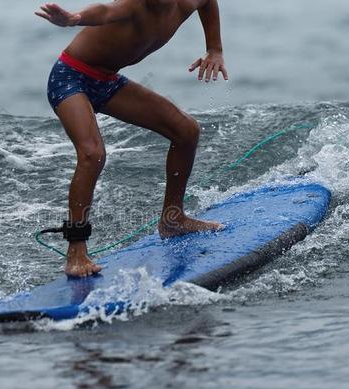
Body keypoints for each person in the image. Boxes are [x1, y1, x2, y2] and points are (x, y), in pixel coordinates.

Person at [35, 0, 228, 277]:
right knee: (92, 154)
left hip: (107, 81)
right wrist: (75, 18)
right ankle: (76, 252)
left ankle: (173, 220)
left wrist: (215, 49)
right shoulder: (135, 5)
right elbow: (105, 12)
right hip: (71, 77)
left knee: (186, 131)